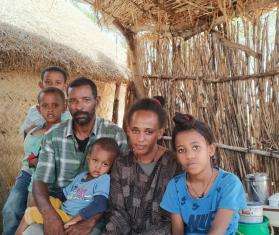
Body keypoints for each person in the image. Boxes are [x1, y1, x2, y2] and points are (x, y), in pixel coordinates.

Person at [24, 77, 128, 235]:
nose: (79, 106)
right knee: (31, 233)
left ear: (97, 101)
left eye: (86, 100)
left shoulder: (115, 134)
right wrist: (50, 215)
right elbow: (40, 180)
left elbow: (118, 188)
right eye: (73, 101)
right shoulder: (54, 135)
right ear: (67, 105)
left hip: (97, 214)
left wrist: (89, 221)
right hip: (60, 207)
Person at [160, 113, 246, 235]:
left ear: (211, 150)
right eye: (181, 150)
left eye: (196, 147)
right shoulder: (175, 187)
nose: (189, 156)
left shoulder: (229, 184)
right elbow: (178, 232)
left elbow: (217, 231)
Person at [104, 98, 180, 235]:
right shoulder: (121, 163)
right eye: (135, 130)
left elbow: (170, 220)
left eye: (148, 132)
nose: (140, 139)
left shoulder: (174, 164)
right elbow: (117, 213)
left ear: (160, 132)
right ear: (127, 130)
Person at [16, 137, 119, 235]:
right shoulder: (81, 176)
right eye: (95, 160)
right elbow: (63, 195)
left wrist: (76, 219)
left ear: (111, 167)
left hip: (71, 216)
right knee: (37, 202)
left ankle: (18, 232)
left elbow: (100, 204)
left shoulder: (104, 179)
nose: (98, 167)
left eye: (105, 164)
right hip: (63, 207)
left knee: (31, 213)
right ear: (88, 159)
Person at [2, 87, 66, 235]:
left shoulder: (64, 133)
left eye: (55, 105)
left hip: (50, 180)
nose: (50, 110)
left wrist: (39, 162)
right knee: (11, 209)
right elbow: (29, 156)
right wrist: (34, 161)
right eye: (45, 106)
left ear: (64, 107)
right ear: (38, 109)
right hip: (28, 174)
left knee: (33, 213)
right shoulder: (33, 131)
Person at [20, 66, 71, 137]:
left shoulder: (70, 111)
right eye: (48, 82)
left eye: (58, 83)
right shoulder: (34, 111)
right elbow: (26, 135)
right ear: (41, 85)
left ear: (65, 87)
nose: (53, 86)